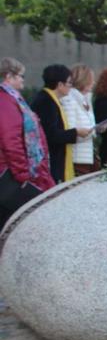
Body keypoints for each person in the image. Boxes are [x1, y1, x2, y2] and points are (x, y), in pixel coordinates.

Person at [0, 58, 54, 227]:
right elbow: (11, 140)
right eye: (21, 76)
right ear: (9, 76)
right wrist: (23, 175)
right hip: (10, 173)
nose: (23, 79)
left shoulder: (12, 99)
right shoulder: (5, 101)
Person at [30, 64, 92, 183]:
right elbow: (51, 135)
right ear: (59, 84)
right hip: (50, 160)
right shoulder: (47, 102)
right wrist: (76, 132)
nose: (70, 86)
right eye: (69, 83)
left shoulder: (50, 99)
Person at [61, 64, 99, 175]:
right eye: (91, 80)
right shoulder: (69, 100)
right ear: (83, 81)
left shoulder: (85, 100)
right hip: (77, 156)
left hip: (86, 154)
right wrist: (84, 132)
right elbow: (70, 131)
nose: (93, 83)